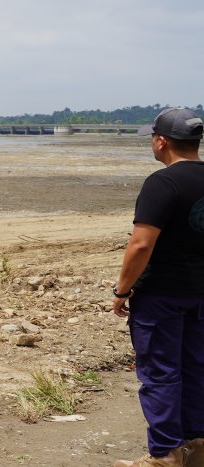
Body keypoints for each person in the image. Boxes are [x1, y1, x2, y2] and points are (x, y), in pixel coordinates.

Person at [110, 107, 204, 467]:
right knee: (197, 368)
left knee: (161, 373)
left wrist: (122, 290)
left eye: (152, 137)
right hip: (200, 294)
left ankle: (165, 453)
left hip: (162, 296)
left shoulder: (162, 183)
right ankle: (196, 447)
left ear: (161, 141)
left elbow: (141, 244)